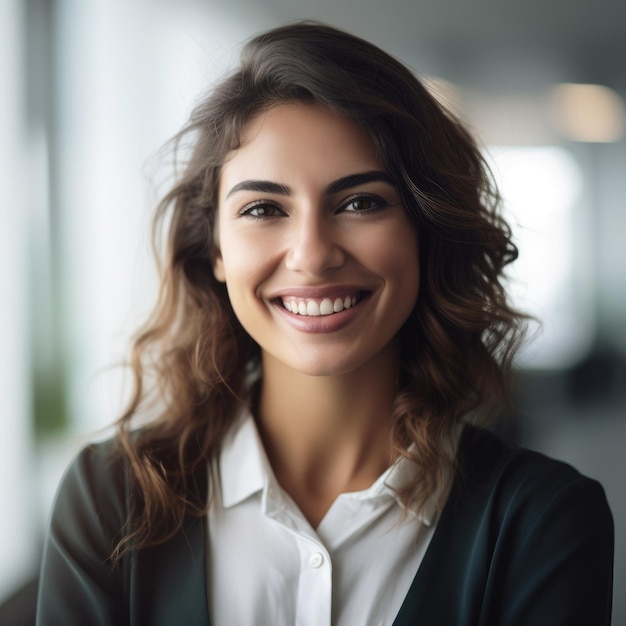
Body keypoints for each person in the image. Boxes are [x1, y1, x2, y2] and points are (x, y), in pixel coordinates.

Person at [36, 22, 614, 626]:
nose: (312, 255)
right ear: (216, 251)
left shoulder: (543, 518)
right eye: (263, 209)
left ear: (425, 232)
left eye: (360, 202)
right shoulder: (110, 498)